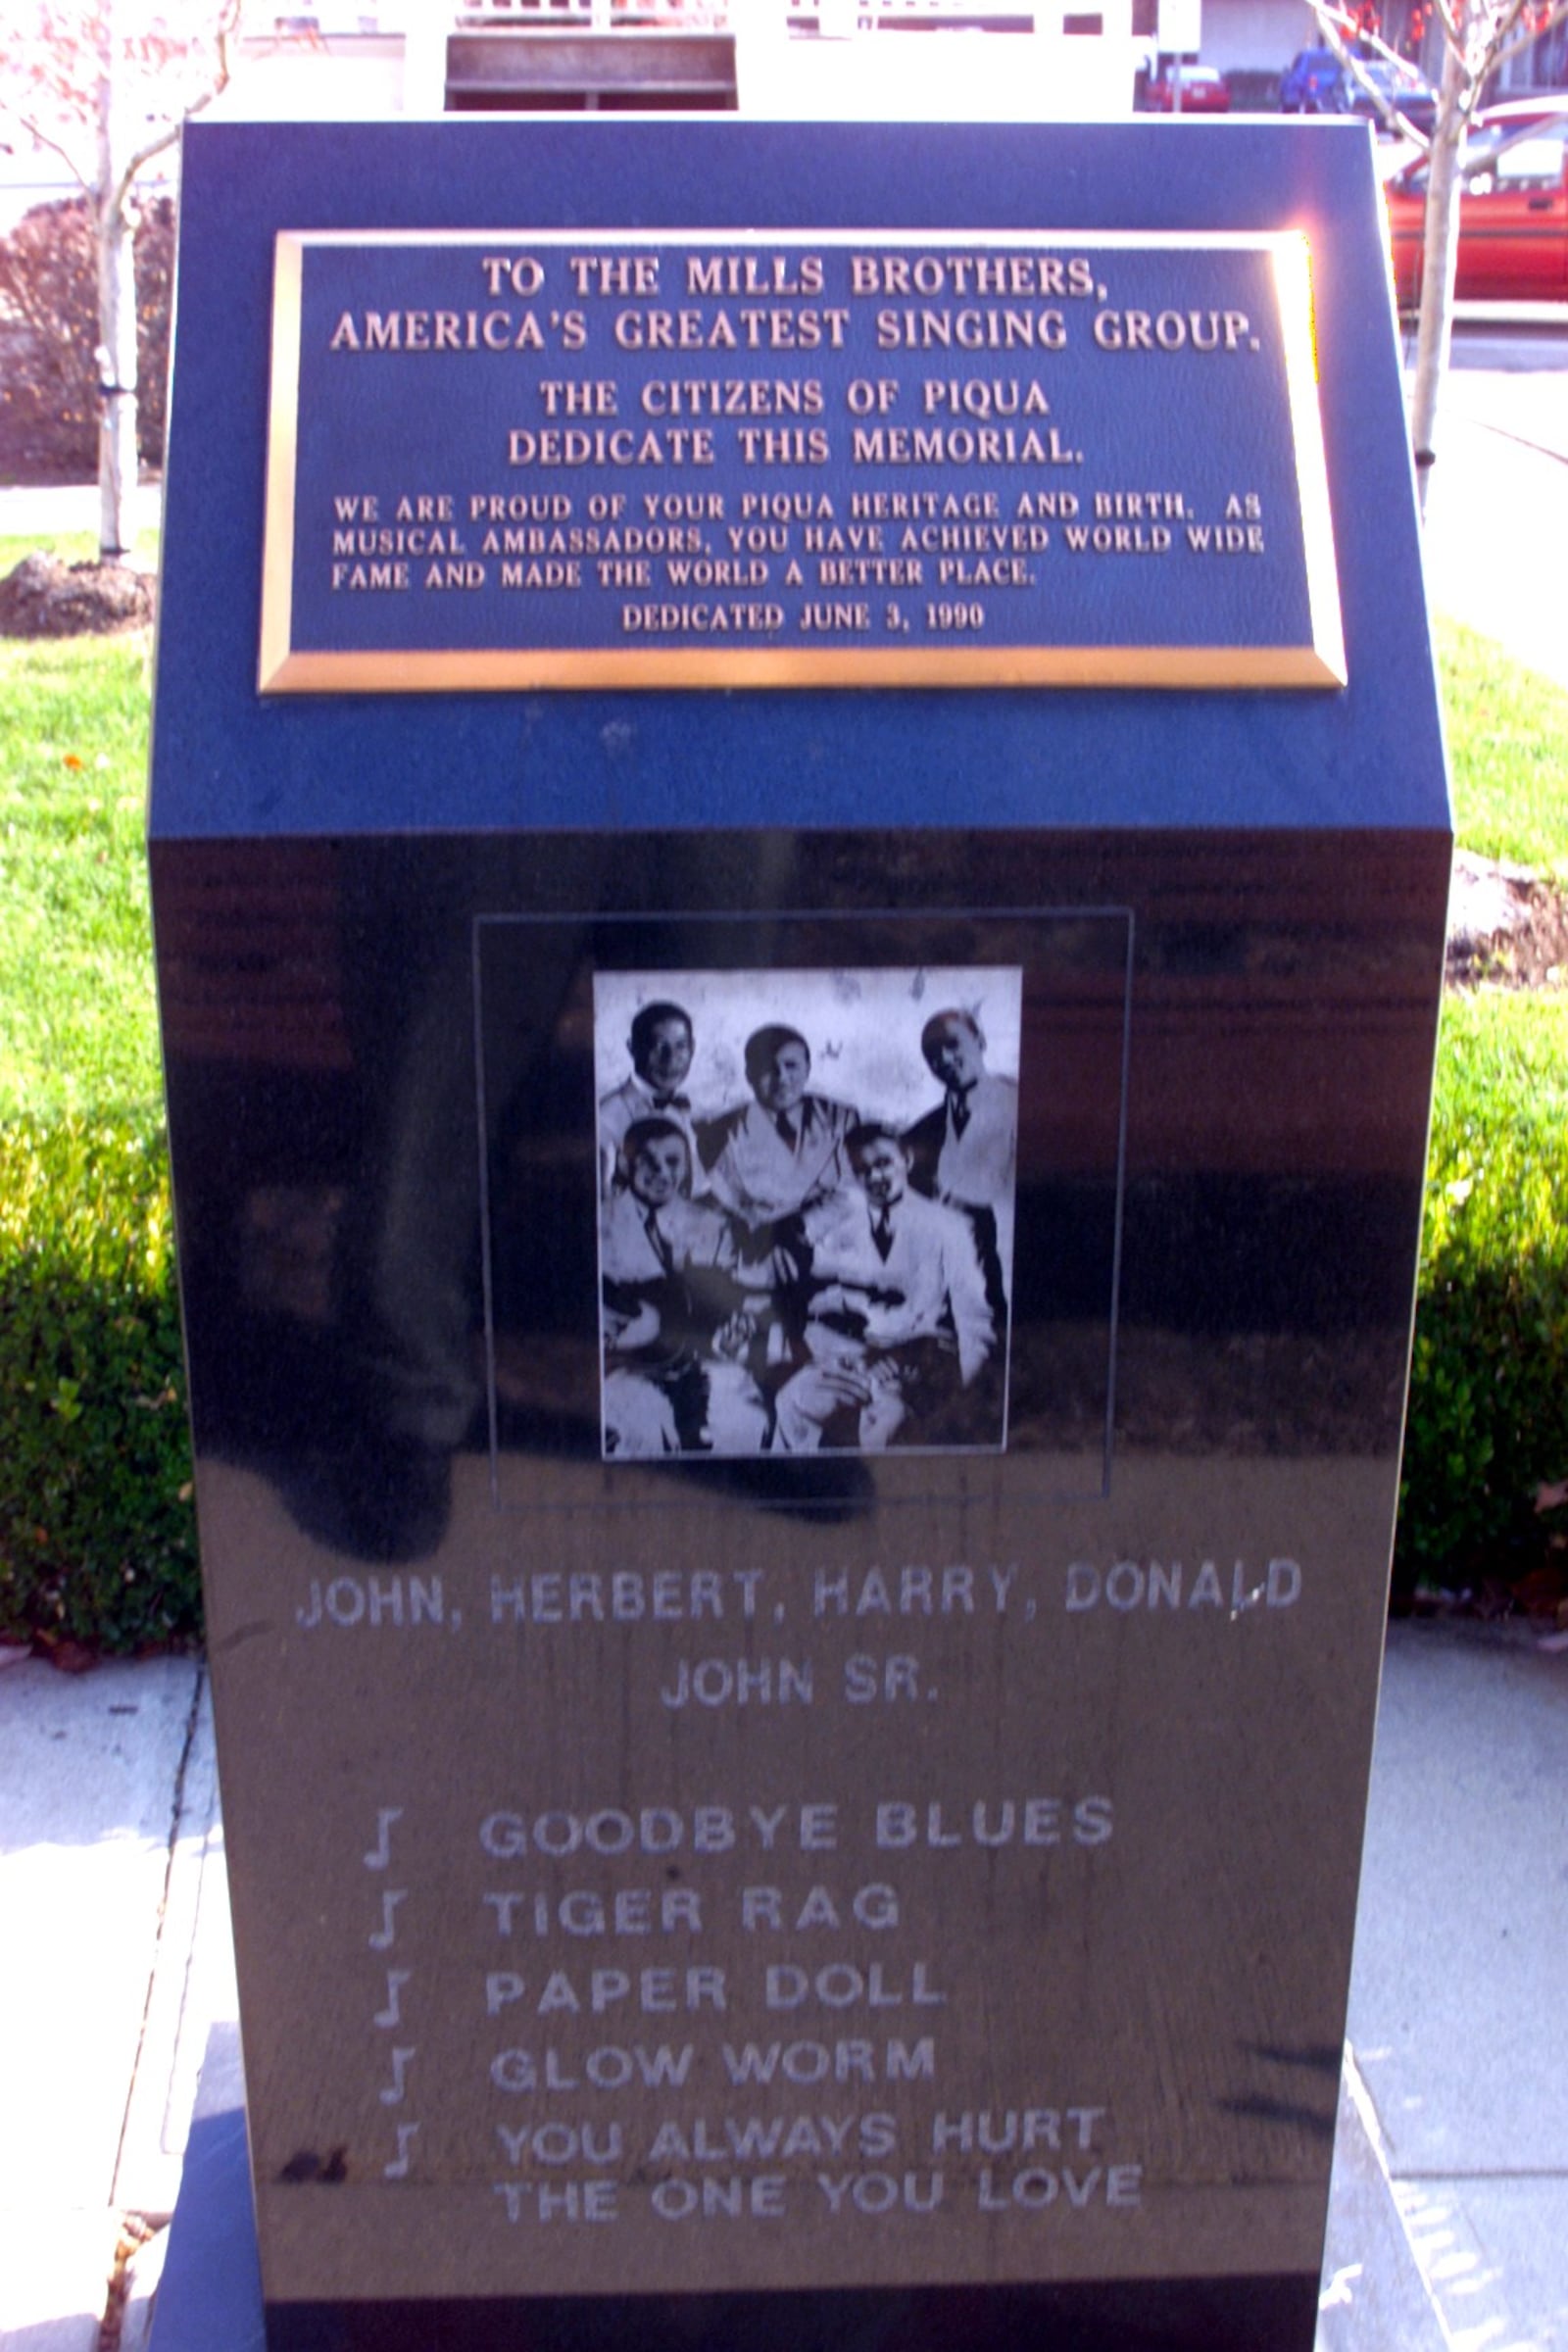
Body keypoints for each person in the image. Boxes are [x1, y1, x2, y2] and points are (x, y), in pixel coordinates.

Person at [771, 1123, 996, 1453]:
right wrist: (781, 1245)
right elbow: (789, 1233)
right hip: (849, 1358)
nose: (874, 1178)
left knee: (881, 1433)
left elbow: (974, 1320)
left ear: (906, 1158)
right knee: (790, 1403)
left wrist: (971, 1396)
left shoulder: (950, 1226)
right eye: (862, 1170)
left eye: (882, 1164)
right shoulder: (845, 1209)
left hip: (914, 1363)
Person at [600, 1117, 766, 1457]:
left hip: (700, 1362)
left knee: (743, 1418)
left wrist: (729, 1338)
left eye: (673, 1161)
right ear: (624, 1161)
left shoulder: (712, 1226)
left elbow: (723, 1311)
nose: (662, 1172)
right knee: (642, 1425)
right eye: (648, 1160)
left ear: (687, 1164)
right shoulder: (598, 1224)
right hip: (627, 1366)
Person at [903, 1006, 1018, 1309]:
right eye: (932, 1054)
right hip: (952, 1290)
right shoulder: (922, 1133)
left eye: (952, 1045)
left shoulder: (1025, 1108)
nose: (944, 1059)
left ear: (980, 1041)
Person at [698, 1024, 858, 1233]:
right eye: (768, 1067)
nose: (782, 1078)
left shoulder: (841, 1119)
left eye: (791, 1065)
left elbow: (854, 1191)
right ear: (749, 1075)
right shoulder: (722, 1130)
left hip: (831, 1238)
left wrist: (803, 1226)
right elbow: (721, 1201)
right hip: (756, 1242)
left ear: (807, 1069)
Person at [599, 1001, 700, 1199]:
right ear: (632, 1048)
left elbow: (694, 1189)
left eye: (681, 1046)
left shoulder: (680, 1108)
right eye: (658, 1046)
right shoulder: (607, 1118)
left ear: (693, 1048)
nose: (670, 1059)